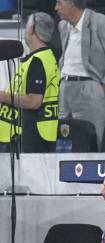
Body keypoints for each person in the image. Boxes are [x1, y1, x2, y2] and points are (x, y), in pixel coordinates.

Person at [55, 0, 105, 148]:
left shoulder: (100, 23)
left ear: (71, 3)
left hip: (90, 89)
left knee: (92, 142)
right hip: (65, 89)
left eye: (59, 3)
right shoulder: (63, 26)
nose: (56, 8)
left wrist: (103, 88)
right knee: (65, 141)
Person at [0, 12, 59, 153]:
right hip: (28, 132)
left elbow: (34, 101)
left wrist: (3, 97)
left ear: (32, 28)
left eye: (26, 27)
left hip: (31, 134)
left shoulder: (38, 60)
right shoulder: (45, 57)